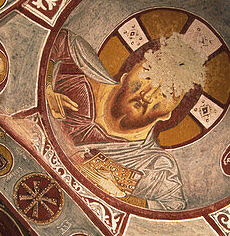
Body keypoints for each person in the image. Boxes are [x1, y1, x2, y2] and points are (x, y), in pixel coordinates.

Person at [46, 28, 207, 210]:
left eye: (167, 93)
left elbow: (172, 207)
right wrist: (46, 87)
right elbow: (54, 40)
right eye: (149, 75)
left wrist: (122, 198)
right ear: (127, 72)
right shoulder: (78, 68)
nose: (148, 94)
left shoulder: (155, 167)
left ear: (170, 113)